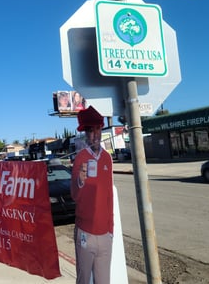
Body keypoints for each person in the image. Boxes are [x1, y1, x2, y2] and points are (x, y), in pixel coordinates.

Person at [70, 106, 113, 284]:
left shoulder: (107, 159)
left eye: (97, 129)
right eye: (90, 130)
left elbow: (109, 195)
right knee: (83, 279)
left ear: (101, 129)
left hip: (105, 234)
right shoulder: (80, 158)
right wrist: (80, 180)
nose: (94, 134)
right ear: (85, 134)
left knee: (103, 281)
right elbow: (74, 195)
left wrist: (111, 229)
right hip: (85, 233)